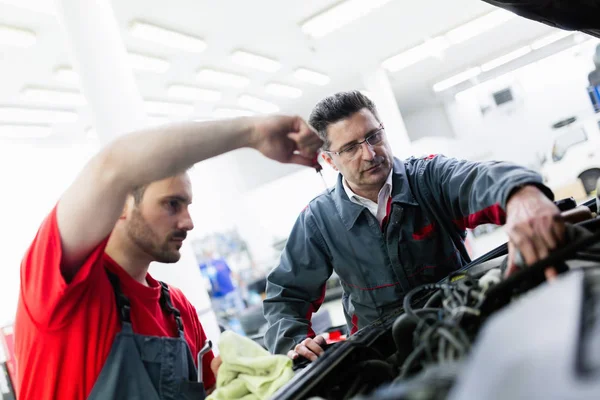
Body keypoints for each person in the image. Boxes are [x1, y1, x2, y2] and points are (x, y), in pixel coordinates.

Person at [14, 115, 323, 400]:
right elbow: (113, 165)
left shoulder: (177, 309)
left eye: (187, 205)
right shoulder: (65, 290)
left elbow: (220, 390)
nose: (188, 222)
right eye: (172, 204)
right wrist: (253, 133)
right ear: (121, 206)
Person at [263, 90, 565, 361]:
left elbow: (482, 179)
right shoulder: (319, 220)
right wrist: (294, 342)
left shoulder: (429, 178)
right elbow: (285, 296)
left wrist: (522, 195)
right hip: (384, 358)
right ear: (329, 160)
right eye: (352, 147)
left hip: (465, 329)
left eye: (373, 136)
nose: (369, 153)